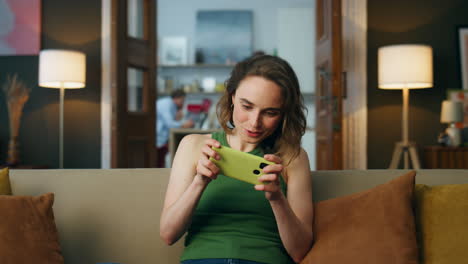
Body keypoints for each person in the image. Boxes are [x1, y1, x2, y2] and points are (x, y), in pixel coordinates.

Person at [160, 55, 313, 263]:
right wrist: (199, 182)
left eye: (270, 112)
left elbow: (300, 251)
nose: (254, 122)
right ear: (232, 97)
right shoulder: (193, 146)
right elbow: (168, 234)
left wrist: (277, 199)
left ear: (284, 112)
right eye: (247, 106)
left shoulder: (292, 158)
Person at [156, 89, 194, 168]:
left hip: (161, 138)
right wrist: (184, 124)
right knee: (158, 163)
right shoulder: (167, 104)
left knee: (161, 161)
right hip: (158, 138)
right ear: (177, 98)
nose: (183, 103)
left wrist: (179, 116)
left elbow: (174, 120)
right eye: (182, 100)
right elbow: (170, 123)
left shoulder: (172, 105)